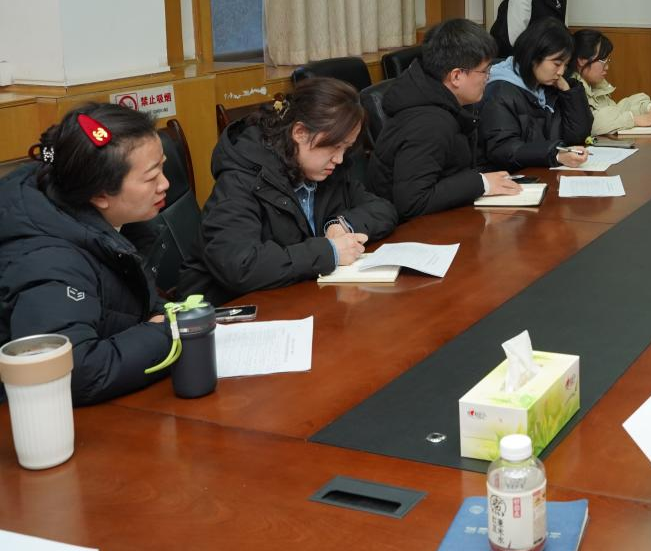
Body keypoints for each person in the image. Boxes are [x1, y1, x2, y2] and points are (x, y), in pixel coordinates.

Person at [0, 104, 172, 405]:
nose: (165, 184)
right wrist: (169, 334)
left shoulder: (113, 219)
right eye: (151, 177)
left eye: (163, 167)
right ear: (100, 194)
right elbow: (71, 371)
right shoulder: (47, 260)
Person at [178, 78, 397, 305]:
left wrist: (342, 224)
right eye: (334, 147)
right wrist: (328, 252)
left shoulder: (326, 171)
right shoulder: (242, 178)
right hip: (220, 310)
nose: (339, 158)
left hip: (294, 298)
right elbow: (241, 265)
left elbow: (383, 209)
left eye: (346, 148)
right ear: (299, 132)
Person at [367, 19, 521, 220]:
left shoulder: (451, 102)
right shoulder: (428, 123)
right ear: (456, 76)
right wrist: (481, 183)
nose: (488, 78)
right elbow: (413, 202)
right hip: (409, 231)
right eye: (484, 71)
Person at [480, 18, 593, 171]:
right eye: (557, 64)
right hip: (510, 178)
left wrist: (568, 91)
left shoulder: (547, 86)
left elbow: (577, 136)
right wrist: (555, 155)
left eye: (565, 65)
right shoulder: (500, 91)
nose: (561, 72)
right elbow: (503, 149)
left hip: (542, 173)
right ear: (533, 56)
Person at [571, 28, 651, 135]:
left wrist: (646, 108)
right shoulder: (571, 90)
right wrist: (634, 120)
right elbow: (591, 124)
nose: (607, 67)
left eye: (607, 60)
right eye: (603, 61)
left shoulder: (595, 85)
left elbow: (617, 110)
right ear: (581, 60)